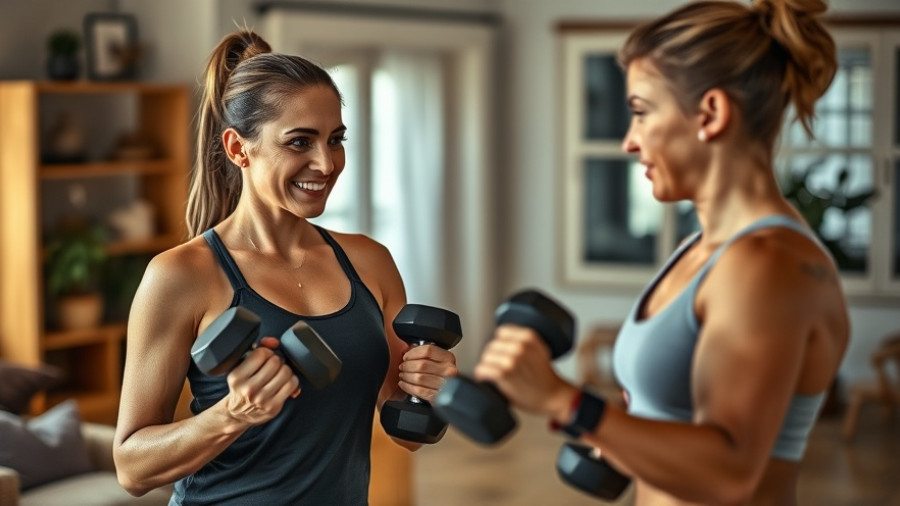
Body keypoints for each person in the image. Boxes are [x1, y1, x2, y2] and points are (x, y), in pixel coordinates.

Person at [474, 0, 848, 504]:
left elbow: (730, 471)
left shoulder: (766, 263)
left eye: (641, 112)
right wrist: (615, 435)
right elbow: (678, 423)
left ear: (711, 114)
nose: (629, 142)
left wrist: (565, 400)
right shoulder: (701, 249)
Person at [112, 30, 457, 505]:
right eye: (299, 142)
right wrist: (232, 413)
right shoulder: (182, 276)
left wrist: (432, 388)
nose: (326, 163)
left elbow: (409, 430)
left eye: (335, 139)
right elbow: (132, 469)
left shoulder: (369, 261)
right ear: (238, 149)